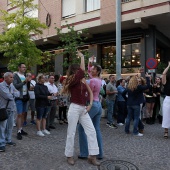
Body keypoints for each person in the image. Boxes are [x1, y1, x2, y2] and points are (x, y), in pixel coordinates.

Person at [63, 51, 100, 166]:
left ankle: (92, 156)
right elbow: (83, 70)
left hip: (83, 108)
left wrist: (90, 104)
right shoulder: (72, 79)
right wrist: (83, 58)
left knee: (91, 131)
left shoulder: (81, 80)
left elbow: (89, 91)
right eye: (78, 69)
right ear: (75, 70)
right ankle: (69, 155)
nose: (80, 70)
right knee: (71, 132)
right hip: (74, 108)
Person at [78, 56, 103, 160]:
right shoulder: (99, 79)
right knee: (96, 129)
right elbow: (88, 71)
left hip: (92, 105)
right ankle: (100, 154)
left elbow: (89, 94)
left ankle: (84, 153)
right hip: (98, 105)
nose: (91, 70)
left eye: (93, 69)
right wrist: (89, 62)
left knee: (81, 127)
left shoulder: (92, 81)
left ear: (96, 72)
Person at [0, 72, 19, 152]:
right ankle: (1, 144)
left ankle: (8, 140)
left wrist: (12, 94)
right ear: (6, 78)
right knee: (2, 127)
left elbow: (18, 93)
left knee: (10, 126)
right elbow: (8, 96)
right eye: (11, 77)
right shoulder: (1, 86)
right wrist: (13, 94)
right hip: (3, 109)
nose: (13, 79)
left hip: (11, 108)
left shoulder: (11, 85)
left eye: (12, 77)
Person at [13, 63, 31, 140]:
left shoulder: (25, 76)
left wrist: (28, 82)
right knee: (19, 114)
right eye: (23, 67)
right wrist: (24, 82)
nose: (24, 68)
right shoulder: (15, 75)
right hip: (19, 97)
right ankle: (18, 131)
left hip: (25, 97)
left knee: (23, 114)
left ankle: (21, 129)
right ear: (19, 68)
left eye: (25, 67)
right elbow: (15, 86)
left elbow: (27, 87)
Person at [161, 62, 170, 139]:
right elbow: (163, 74)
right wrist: (168, 66)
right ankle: (166, 132)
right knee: (166, 116)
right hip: (168, 99)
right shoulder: (166, 82)